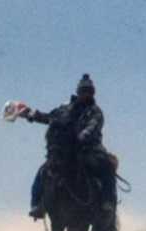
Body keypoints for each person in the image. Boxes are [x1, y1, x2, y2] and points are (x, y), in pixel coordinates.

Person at [21, 74, 116, 219]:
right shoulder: (65, 109)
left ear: (93, 93)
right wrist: (30, 114)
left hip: (90, 150)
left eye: (89, 91)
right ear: (78, 92)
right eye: (83, 91)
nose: (86, 94)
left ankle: (107, 202)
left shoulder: (95, 111)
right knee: (43, 171)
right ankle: (37, 206)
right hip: (67, 150)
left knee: (107, 167)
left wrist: (82, 136)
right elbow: (50, 118)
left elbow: (93, 127)